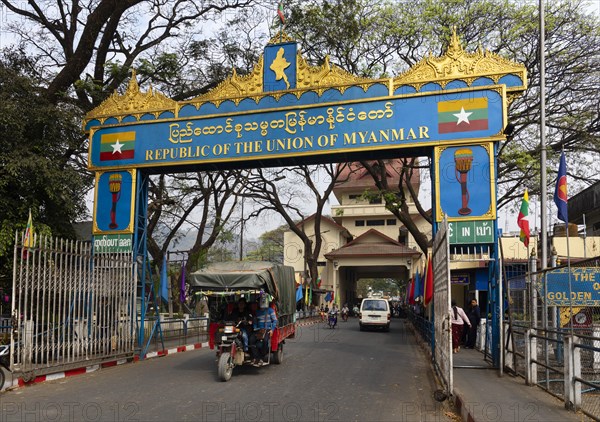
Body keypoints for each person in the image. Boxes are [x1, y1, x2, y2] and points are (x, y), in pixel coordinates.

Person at [249, 294, 278, 365]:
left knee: (265, 341)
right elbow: (255, 321)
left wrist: (272, 330)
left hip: (267, 329)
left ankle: (262, 357)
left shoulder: (271, 310)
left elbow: (275, 320)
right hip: (259, 330)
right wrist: (255, 327)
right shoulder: (257, 312)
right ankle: (256, 357)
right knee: (251, 340)